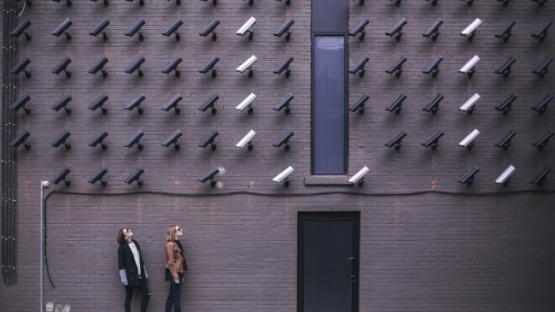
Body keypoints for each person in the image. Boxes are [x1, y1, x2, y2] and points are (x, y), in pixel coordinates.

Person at [117, 228, 151, 312]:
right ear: (125, 237)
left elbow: (140, 259)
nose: (129, 230)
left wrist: (145, 272)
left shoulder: (136, 243)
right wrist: (124, 279)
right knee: (129, 297)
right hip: (130, 276)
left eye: (128, 229)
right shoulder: (121, 248)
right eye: (127, 231)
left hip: (140, 275)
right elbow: (120, 265)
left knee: (147, 294)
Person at [165, 225, 188, 312]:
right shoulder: (170, 244)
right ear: (174, 233)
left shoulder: (177, 243)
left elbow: (180, 260)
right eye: (179, 229)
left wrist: (181, 274)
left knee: (171, 297)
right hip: (175, 273)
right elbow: (170, 262)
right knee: (176, 299)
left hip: (179, 272)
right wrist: (176, 277)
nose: (181, 229)